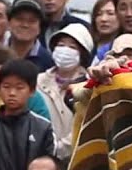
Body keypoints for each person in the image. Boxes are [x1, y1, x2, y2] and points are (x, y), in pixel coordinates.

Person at [36, 23, 93, 161]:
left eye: (72, 47)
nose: (65, 50)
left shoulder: (89, 85)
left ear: (82, 54)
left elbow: (85, 123)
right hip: (40, 156)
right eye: (61, 45)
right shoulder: (38, 81)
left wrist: (59, 149)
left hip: (75, 158)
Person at [5, 0, 53, 71]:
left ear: (40, 28)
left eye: (32, 21)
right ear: (8, 23)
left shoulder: (48, 61)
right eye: (19, 19)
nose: (25, 25)